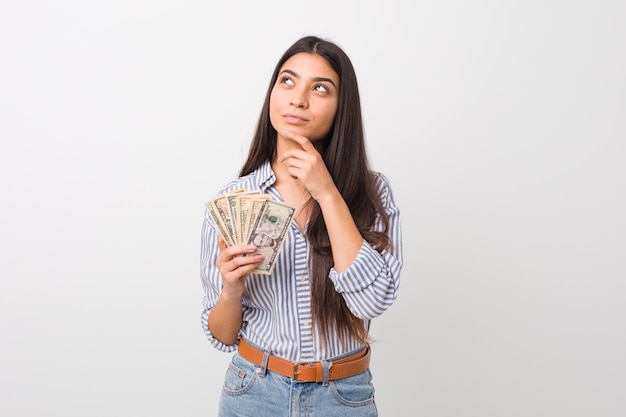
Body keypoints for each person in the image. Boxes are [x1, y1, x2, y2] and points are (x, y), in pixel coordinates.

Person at [199, 35, 403, 417]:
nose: (298, 99)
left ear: (342, 106)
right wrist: (230, 290)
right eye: (287, 81)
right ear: (272, 92)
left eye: (320, 88)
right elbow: (223, 335)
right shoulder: (236, 200)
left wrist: (327, 192)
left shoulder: (372, 193)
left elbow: (372, 301)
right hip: (253, 391)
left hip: (344, 397)